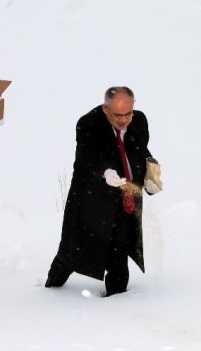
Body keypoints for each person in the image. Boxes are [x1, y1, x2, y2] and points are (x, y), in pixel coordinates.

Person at [45, 86, 161, 297]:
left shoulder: (140, 121)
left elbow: (140, 152)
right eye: (118, 115)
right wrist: (105, 171)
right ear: (105, 108)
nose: (124, 120)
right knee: (72, 251)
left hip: (125, 200)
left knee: (119, 252)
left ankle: (117, 304)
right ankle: (50, 290)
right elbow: (87, 155)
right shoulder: (88, 123)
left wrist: (150, 177)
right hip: (91, 199)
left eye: (128, 113)